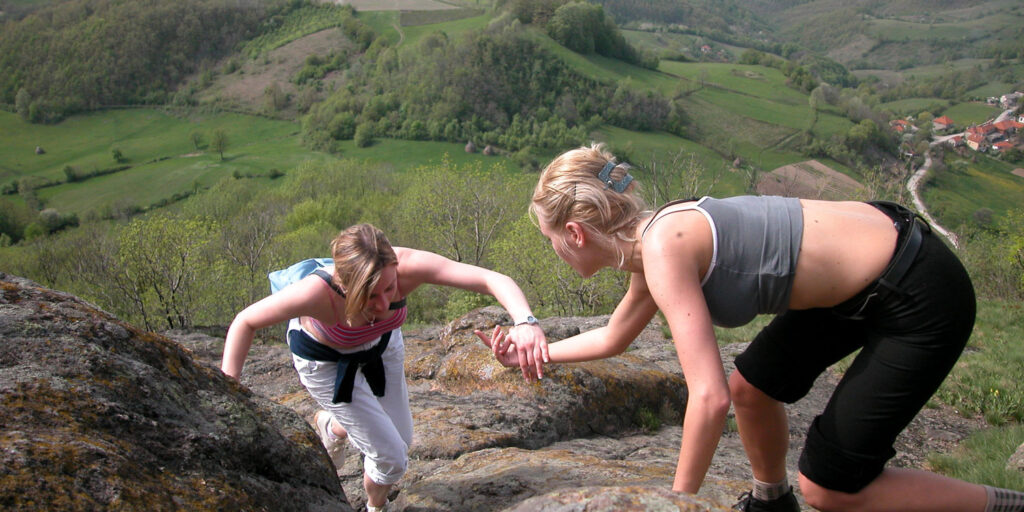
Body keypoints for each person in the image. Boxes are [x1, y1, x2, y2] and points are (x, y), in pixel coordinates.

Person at [480, 142, 1024, 512]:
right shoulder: (655, 242)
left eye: (550, 239)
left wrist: (679, 501)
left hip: (918, 291)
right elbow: (615, 337)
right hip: (875, 271)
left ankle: (1006, 503)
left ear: (574, 233)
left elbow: (707, 398)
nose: (553, 249)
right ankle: (771, 500)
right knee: (752, 390)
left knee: (830, 491)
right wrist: (537, 352)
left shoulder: (664, 249)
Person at [222, 223, 547, 512]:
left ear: (395, 267)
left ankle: (333, 426)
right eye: (369, 295)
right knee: (391, 457)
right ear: (343, 284)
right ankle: (375, 507)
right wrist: (227, 391)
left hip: (382, 344)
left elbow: (492, 279)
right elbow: (245, 322)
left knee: (401, 442)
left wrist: (526, 322)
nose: (382, 303)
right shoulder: (315, 293)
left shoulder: (408, 267)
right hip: (324, 362)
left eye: (389, 289)